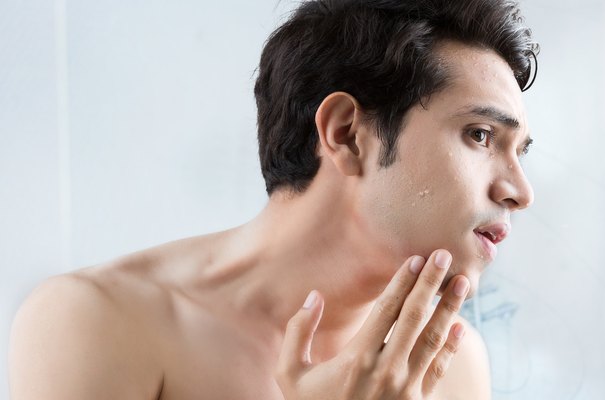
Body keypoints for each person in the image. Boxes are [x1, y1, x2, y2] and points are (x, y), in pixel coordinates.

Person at [9, 0, 537, 398]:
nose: (519, 191)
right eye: (481, 135)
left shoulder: (447, 361)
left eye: (520, 152)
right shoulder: (98, 323)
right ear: (348, 132)